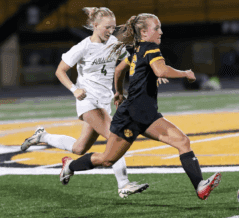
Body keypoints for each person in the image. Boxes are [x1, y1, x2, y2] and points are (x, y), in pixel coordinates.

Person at [60, 13, 222, 200]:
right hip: (132, 116)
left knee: (182, 142)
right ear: (144, 32)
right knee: (107, 159)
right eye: (157, 28)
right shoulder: (150, 48)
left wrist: (119, 92)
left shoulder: (138, 49)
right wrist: (186, 73)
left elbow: (120, 69)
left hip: (145, 114)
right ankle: (70, 166)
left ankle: (200, 187)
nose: (161, 32)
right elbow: (160, 70)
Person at [20, 7, 150, 198]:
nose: (110, 31)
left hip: (104, 102)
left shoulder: (114, 42)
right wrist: (75, 89)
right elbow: (60, 71)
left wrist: (119, 91)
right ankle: (124, 185)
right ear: (95, 26)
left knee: (80, 148)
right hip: (88, 101)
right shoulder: (83, 47)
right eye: (107, 27)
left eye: (113, 27)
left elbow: (123, 65)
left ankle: (43, 137)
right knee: (117, 137)